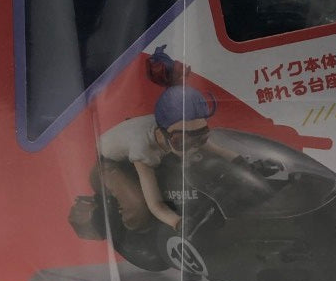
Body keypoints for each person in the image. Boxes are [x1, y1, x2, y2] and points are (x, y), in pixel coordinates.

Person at [90, 47, 233, 232]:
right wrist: (178, 222)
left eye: (201, 137)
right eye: (183, 142)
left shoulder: (180, 126)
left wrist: (247, 163)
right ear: (161, 133)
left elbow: (219, 150)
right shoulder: (142, 148)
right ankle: (132, 232)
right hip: (108, 163)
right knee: (139, 209)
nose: (193, 148)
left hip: (138, 138)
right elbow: (154, 203)